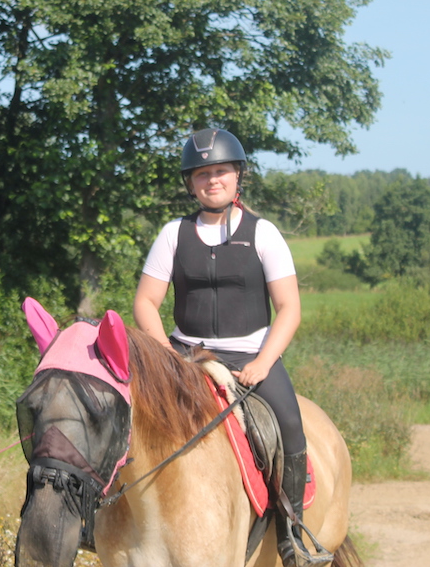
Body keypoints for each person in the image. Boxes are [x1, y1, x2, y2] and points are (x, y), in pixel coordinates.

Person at [133, 128, 317, 567]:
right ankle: (97, 519)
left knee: (291, 427)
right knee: (121, 414)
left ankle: (292, 535)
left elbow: (289, 308)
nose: (212, 180)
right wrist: (166, 356)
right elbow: (145, 302)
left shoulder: (263, 233)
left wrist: (264, 363)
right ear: (190, 183)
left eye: (221, 171)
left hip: (251, 358)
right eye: (202, 174)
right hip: (184, 356)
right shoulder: (174, 234)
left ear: (238, 176)